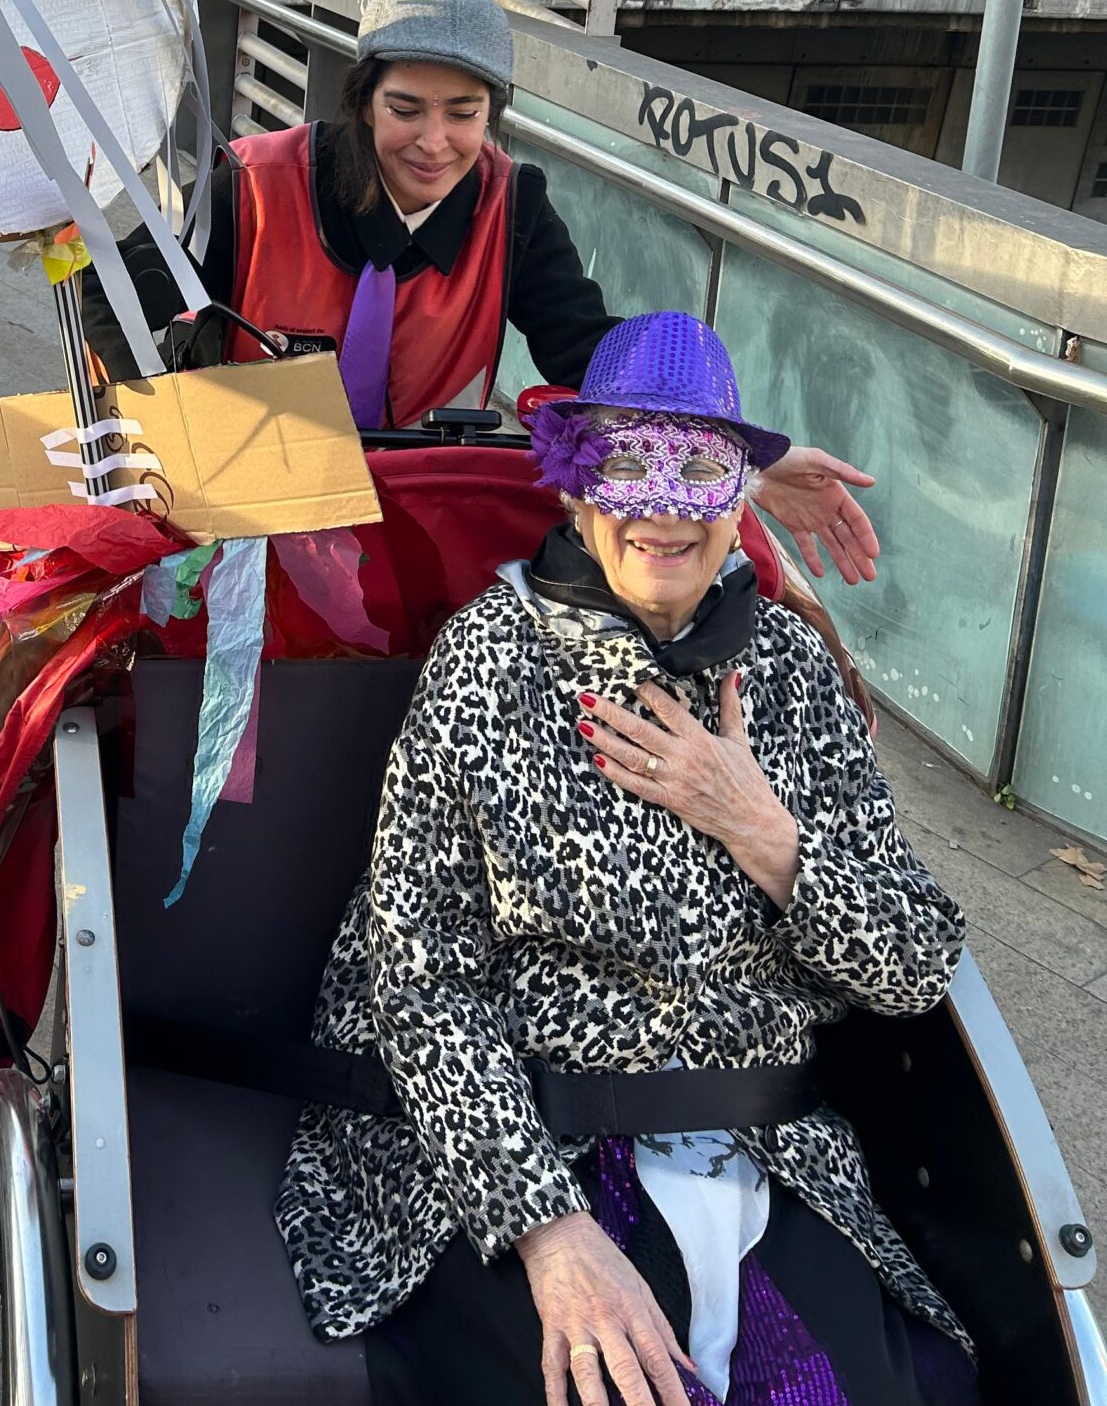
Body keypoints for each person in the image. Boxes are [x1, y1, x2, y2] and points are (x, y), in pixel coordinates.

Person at [276, 312, 971, 1406]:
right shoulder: (492, 662)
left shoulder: (791, 670)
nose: (661, 507)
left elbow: (917, 963)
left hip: (765, 1142)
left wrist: (763, 830)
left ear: (738, 499)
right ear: (572, 486)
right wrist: (549, 1233)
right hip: (527, 1141)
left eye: (698, 470)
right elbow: (419, 981)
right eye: (626, 464)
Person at [84, 0, 880, 586]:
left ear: (491, 115)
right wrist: (177, 433)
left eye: (463, 114)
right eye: (406, 109)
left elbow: (589, 355)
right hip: (243, 517)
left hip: (413, 523)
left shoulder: (515, 207)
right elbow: (107, 297)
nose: (434, 143)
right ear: (365, 102)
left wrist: (743, 453)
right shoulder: (251, 186)